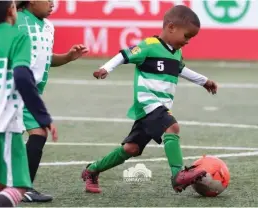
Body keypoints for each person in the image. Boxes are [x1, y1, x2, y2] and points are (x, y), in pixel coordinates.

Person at [82, 5, 218, 194]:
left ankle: (92, 170)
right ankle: (178, 175)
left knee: (132, 148)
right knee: (173, 127)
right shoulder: (149, 46)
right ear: (171, 27)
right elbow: (124, 55)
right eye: (186, 36)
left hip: (159, 106)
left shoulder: (176, 51)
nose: (187, 41)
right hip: (148, 102)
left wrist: (204, 81)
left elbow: (180, 69)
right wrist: (106, 68)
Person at [0, 1, 58, 207]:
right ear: (11, 11)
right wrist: (43, 116)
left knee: (0, 183)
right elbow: (23, 78)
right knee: (19, 185)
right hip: (5, 117)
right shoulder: (18, 36)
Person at [15, 0, 88, 202]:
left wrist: (67, 57)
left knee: (38, 133)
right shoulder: (13, 19)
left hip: (31, 94)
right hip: (9, 90)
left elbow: (45, 57)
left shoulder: (48, 27)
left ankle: (23, 188)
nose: (52, 3)